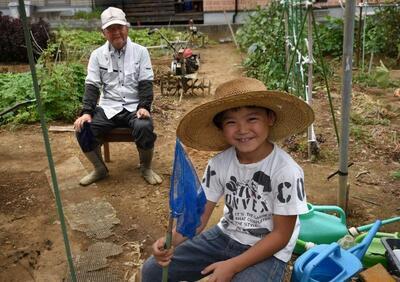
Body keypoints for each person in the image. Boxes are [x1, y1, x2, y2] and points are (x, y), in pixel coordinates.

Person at [141, 77, 315, 281]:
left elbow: (280, 236)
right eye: (231, 122)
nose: (242, 130)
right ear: (221, 129)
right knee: (152, 270)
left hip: (269, 249)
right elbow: (198, 218)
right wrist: (170, 240)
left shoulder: (285, 171)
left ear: (270, 118)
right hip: (225, 236)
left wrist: (232, 266)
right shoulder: (219, 164)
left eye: (252, 119)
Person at [73, 7, 162, 186]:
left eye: (119, 27)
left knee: (144, 126)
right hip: (108, 107)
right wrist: (87, 112)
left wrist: (144, 106)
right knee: (83, 128)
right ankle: (99, 169)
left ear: (126, 28)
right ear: (104, 33)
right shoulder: (97, 55)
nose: (116, 32)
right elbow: (92, 84)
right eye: (111, 29)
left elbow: (145, 83)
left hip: (134, 107)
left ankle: (146, 167)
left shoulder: (141, 52)